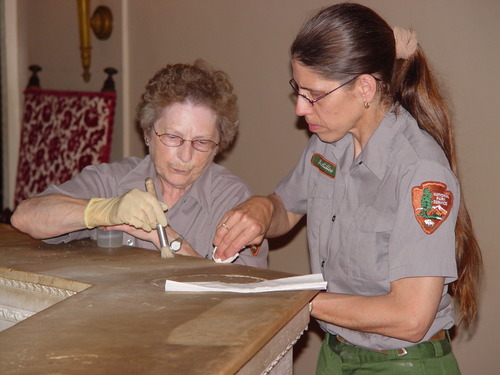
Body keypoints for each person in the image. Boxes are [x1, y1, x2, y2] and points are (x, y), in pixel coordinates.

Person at [213, 3, 481, 374]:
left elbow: (410, 317)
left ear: (365, 88)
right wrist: (262, 209)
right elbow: (287, 208)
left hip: (402, 364)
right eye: (298, 91)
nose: (301, 110)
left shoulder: (419, 172)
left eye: (314, 95)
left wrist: (295, 301)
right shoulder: (329, 141)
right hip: (336, 354)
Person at [11, 59, 268, 268]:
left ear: (217, 147)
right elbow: (25, 217)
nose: (186, 156)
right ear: (147, 133)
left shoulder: (233, 201)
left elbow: (244, 302)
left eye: (201, 142)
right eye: (173, 137)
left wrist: (165, 237)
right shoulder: (112, 180)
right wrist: (104, 210)